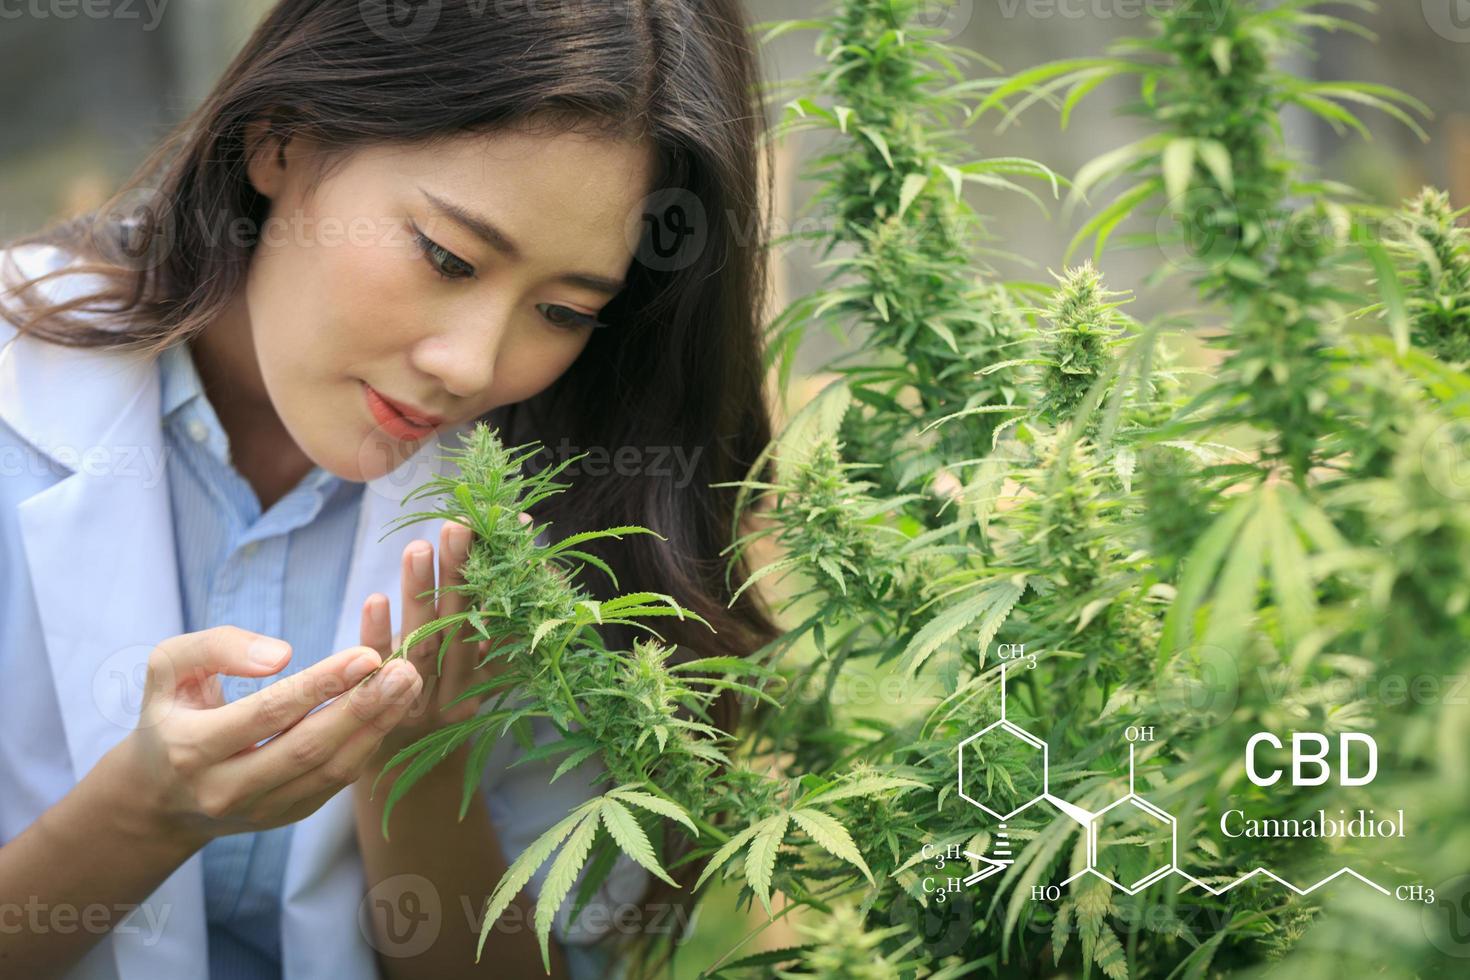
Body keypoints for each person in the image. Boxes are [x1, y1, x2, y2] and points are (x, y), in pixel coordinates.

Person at [0, 1, 781, 977]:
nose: (470, 362)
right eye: (448, 256)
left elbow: (561, 954)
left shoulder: (570, 511)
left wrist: (417, 769)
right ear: (280, 137)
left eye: (564, 308)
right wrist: (143, 813)